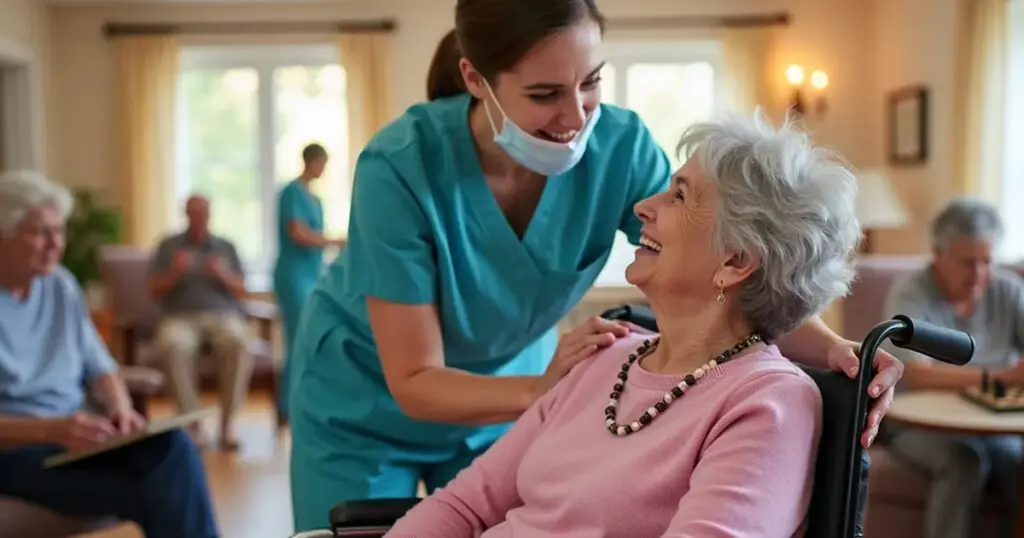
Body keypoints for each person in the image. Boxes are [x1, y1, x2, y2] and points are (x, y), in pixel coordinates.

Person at [287, 0, 904, 531]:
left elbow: (737, 260)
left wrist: (837, 350)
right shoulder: (401, 167)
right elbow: (420, 393)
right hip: (367, 403)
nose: (578, 116)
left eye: (591, 82)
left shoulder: (619, 149)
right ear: (475, 79)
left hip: (526, 385)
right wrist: (548, 391)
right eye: (544, 94)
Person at [383, 111, 859, 538]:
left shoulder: (765, 402)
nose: (642, 207)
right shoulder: (603, 354)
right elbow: (463, 507)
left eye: (679, 196)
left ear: (735, 261)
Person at [0, 170, 220, 538]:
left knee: (174, 446)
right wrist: (51, 429)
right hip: (16, 451)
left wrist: (120, 408)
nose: (56, 244)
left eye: (59, 231)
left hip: (77, 441)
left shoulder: (61, 286)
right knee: (159, 490)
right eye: (39, 233)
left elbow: (102, 367)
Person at [884, 197, 1024, 538]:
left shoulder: (1007, 290)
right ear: (938, 254)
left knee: (1017, 465)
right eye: (967, 262)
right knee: (964, 461)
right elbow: (916, 375)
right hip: (913, 423)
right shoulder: (911, 292)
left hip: (991, 423)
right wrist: (1001, 377)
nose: (979, 274)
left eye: (986, 261)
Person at [150, 194, 253, 450]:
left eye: (202, 212)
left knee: (239, 342)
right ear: (185, 214)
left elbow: (242, 290)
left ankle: (227, 425)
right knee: (172, 345)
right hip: (179, 317)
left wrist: (222, 274)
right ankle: (193, 424)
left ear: (209, 214)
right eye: (192, 212)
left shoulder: (226, 246)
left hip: (223, 316)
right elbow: (153, 290)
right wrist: (174, 272)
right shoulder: (168, 246)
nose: (198, 217)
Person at [273, 142, 343, 421]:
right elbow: (298, 233)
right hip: (293, 276)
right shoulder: (291, 193)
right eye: (322, 164)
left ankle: (308, 401)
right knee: (298, 338)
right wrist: (335, 240)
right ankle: (288, 405)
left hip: (313, 275)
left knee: (313, 336)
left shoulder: (315, 199)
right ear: (311, 162)